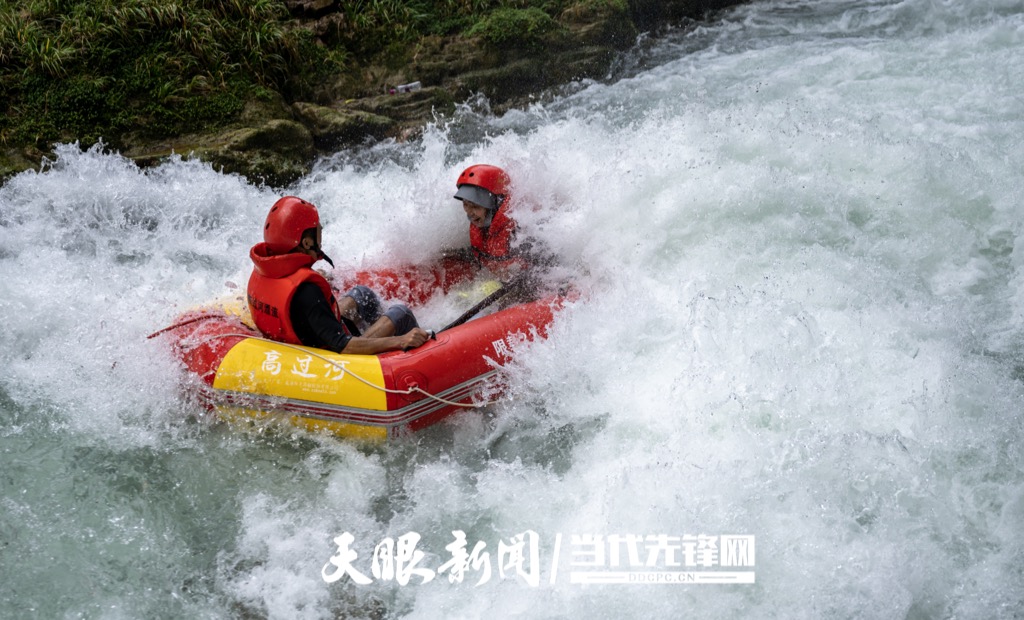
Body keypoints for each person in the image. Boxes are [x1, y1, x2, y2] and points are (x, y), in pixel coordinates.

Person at [247, 196, 430, 354]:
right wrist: (401, 340)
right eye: (318, 229)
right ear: (307, 242)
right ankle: (402, 350)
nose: (321, 232)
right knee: (401, 314)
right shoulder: (308, 292)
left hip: (305, 334)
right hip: (333, 355)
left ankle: (381, 335)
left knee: (362, 294)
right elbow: (342, 346)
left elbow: (300, 305)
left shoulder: (265, 270)